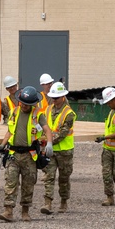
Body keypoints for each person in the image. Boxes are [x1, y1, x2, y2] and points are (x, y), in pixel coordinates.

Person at [0, 86, 52, 222]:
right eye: (22, 103)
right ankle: (8, 211)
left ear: (33, 104)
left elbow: (47, 130)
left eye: (27, 104)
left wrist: (49, 143)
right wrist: (2, 145)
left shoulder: (38, 114)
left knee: (28, 184)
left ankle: (25, 211)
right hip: (13, 154)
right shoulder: (13, 112)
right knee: (10, 182)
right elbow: (9, 131)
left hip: (30, 155)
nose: (24, 106)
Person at [41, 82, 76, 214]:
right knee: (49, 176)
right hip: (51, 151)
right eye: (52, 98)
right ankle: (47, 203)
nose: (54, 100)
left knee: (64, 178)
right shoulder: (48, 109)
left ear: (63, 97)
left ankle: (63, 201)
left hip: (65, 151)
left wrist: (48, 141)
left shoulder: (69, 113)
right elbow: (43, 126)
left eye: (56, 98)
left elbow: (62, 133)